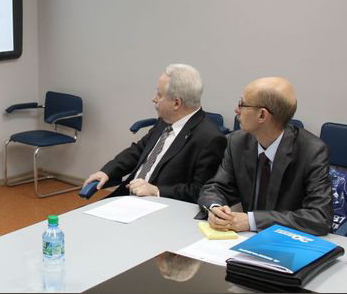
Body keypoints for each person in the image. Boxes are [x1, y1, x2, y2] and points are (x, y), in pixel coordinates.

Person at [198, 77, 333, 236]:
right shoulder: (237, 141)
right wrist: (215, 208)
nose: (236, 110)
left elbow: (319, 217)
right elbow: (215, 187)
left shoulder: (312, 151)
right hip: (241, 238)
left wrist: (251, 221)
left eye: (242, 104)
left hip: (285, 241)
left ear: (262, 115)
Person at [82, 64, 226, 201]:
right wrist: (107, 171)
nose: (154, 99)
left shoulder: (210, 139)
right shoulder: (166, 120)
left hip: (160, 207)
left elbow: (200, 191)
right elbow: (138, 150)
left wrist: (157, 191)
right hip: (127, 198)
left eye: (159, 94)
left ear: (176, 103)